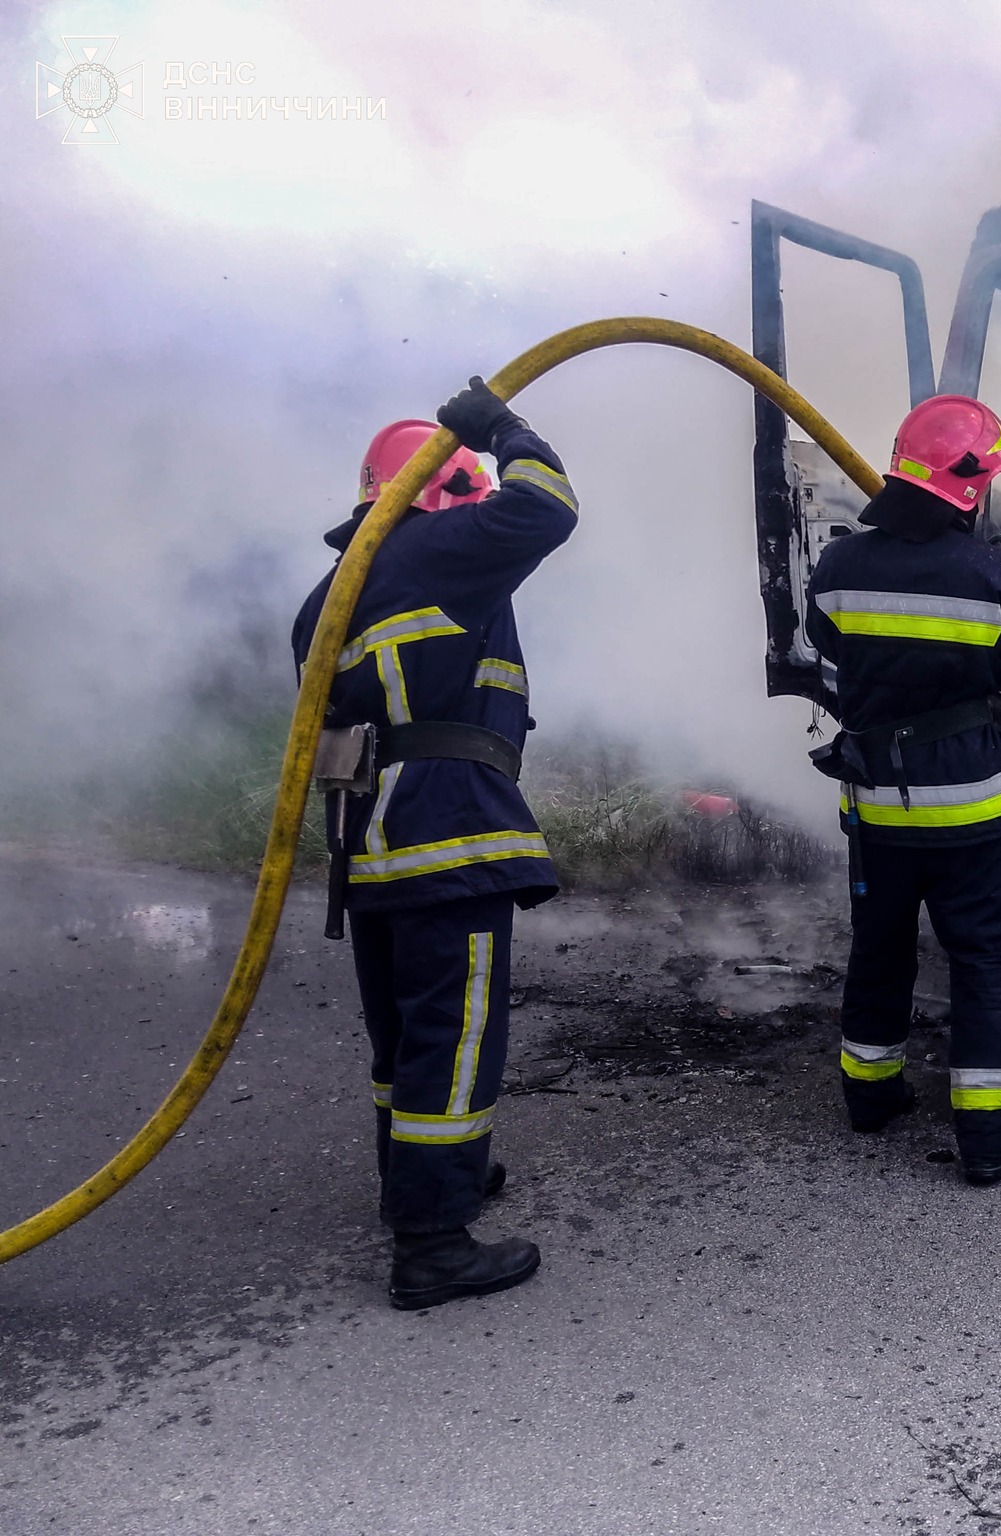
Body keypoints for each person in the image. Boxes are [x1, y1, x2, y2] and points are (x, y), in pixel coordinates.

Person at [292, 377, 578, 1308]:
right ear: (444, 487)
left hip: (371, 844)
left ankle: (420, 1180)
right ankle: (433, 1244)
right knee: (456, 1041)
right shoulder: (440, 549)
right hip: (449, 834)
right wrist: (500, 426)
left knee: (407, 1037)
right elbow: (548, 505)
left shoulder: (328, 597)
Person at [804, 394, 1001, 1185]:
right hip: (970, 815)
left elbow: (826, 643)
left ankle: (870, 1096)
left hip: (876, 811)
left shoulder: (840, 565)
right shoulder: (993, 573)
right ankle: (986, 1140)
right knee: (982, 961)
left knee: (879, 950)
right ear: (972, 488)